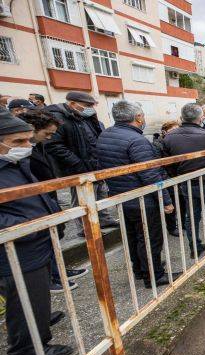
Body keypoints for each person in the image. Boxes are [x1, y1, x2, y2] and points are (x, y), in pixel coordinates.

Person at [0, 110, 73, 355]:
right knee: (24, 302)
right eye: (18, 142)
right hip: (17, 249)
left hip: (34, 243)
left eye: (28, 140)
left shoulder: (14, 163)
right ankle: (28, 352)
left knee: (34, 299)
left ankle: (38, 329)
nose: (27, 146)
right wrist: (29, 223)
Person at [96, 101, 178, 288]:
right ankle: (155, 276)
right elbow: (149, 173)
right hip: (143, 198)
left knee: (133, 236)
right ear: (138, 117)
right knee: (150, 237)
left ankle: (141, 269)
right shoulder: (137, 140)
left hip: (121, 196)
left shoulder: (105, 135)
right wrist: (165, 200)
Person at [18, 110, 89, 293]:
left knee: (53, 239)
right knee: (40, 244)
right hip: (30, 206)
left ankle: (58, 271)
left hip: (46, 197)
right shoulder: (20, 152)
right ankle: (49, 279)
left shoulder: (38, 146)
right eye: (47, 134)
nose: (49, 138)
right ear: (32, 129)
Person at [45, 91, 118, 236]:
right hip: (77, 168)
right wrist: (77, 163)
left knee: (100, 193)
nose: (90, 108)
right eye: (87, 105)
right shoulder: (58, 118)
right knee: (81, 199)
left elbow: (95, 135)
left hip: (94, 163)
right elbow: (53, 145)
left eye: (92, 105)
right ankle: (85, 229)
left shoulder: (87, 116)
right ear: (72, 104)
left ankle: (103, 219)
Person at [162, 103, 205, 256]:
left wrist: (178, 175)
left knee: (191, 217)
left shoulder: (169, 136)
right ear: (201, 117)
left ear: (182, 117)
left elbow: (168, 163)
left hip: (187, 183)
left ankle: (194, 248)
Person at [152, 120, 183, 237]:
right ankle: (171, 227)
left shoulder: (178, 142)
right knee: (171, 203)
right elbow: (158, 165)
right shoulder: (157, 144)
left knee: (181, 201)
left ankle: (183, 224)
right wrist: (167, 178)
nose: (175, 133)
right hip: (167, 178)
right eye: (172, 131)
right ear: (164, 132)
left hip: (177, 176)